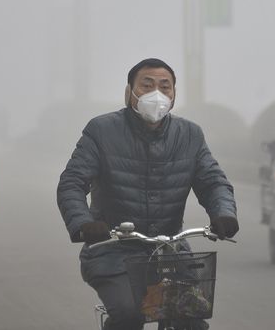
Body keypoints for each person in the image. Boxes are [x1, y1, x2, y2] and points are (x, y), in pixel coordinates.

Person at [57, 58, 238, 330]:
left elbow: (213, 182)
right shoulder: (101, 130)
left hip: (170, 250)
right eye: (147, 85)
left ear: (174, 95)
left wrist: (224, 213)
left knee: (192, 320)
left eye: (165, 87)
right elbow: (72, 182)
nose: (157, 94)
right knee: (129, 315)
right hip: (112, 250)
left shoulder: (190, 134)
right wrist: (84, 223)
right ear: (129, 92)